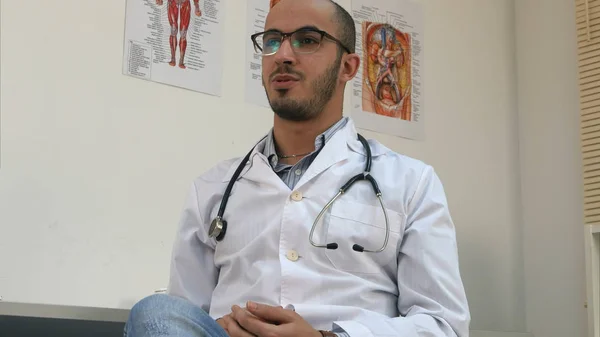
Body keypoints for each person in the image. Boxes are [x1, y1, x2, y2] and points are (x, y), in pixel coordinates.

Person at [125, 0, 471, 336]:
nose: (283, 55)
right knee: (156, 312)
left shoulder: (411, 182)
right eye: (273, 41)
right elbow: (186, 315)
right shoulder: (213, 187)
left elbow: (442, 325)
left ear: (348, 67)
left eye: (308, 40)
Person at [155, 0, 202, 69]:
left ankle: (181, 61)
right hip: (172, 2)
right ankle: (173, 58)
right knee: (173, 29)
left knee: (183, 32)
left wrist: (197, 6)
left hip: (185, 3)